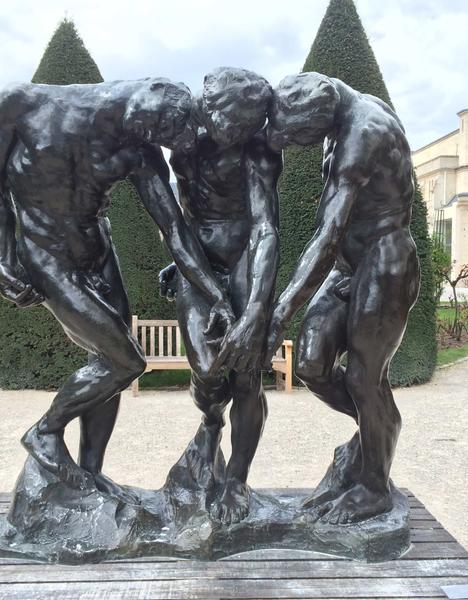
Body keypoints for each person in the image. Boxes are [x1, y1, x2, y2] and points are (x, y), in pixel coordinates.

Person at [0, 78, 235, 500]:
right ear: (140, 111)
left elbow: (174, 228)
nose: (155, 146)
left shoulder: (139, 149)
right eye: (157, 136)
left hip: (98, 251)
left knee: (108, 360)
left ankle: (91, 475)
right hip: (45, 254)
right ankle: (44, 432)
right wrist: (4, 259)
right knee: (125, 361)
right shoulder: (23, 105)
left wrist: (214, 294)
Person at [264, 73, 420, 524]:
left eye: (296, 135)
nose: (290, 142)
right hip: (350, 267)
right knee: (311, 364)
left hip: (385, 261)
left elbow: (329, 235)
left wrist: (279, 313)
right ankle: (378, 428)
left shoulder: (363, 134)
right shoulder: (341, 112)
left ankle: (373, 486)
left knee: (363, 380)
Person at [158, 67, 281, 523]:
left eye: (248, 126)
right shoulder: (180, 132)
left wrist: (253, 311)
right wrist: (183, 257)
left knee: (246, 373)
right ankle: (211, 421)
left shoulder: (258, 151)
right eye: (235, 124)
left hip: (245, 255)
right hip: (200, 258)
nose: (241, 132)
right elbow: (176, 213)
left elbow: (266, 228)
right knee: (207, 369)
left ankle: (237, 479)